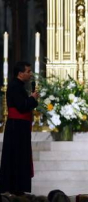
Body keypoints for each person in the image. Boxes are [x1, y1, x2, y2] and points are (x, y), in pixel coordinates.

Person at [0, 62, 39, 195]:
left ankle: (18, 187)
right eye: (28, 71)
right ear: (20, 73)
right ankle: (15, 187)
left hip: (19, 127)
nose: (30, 74)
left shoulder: (18, 86)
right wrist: (33, 98)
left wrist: (32, 99)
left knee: (20, 156)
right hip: (16, 127)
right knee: (16, 156)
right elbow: (22, 106)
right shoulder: (15, 86)